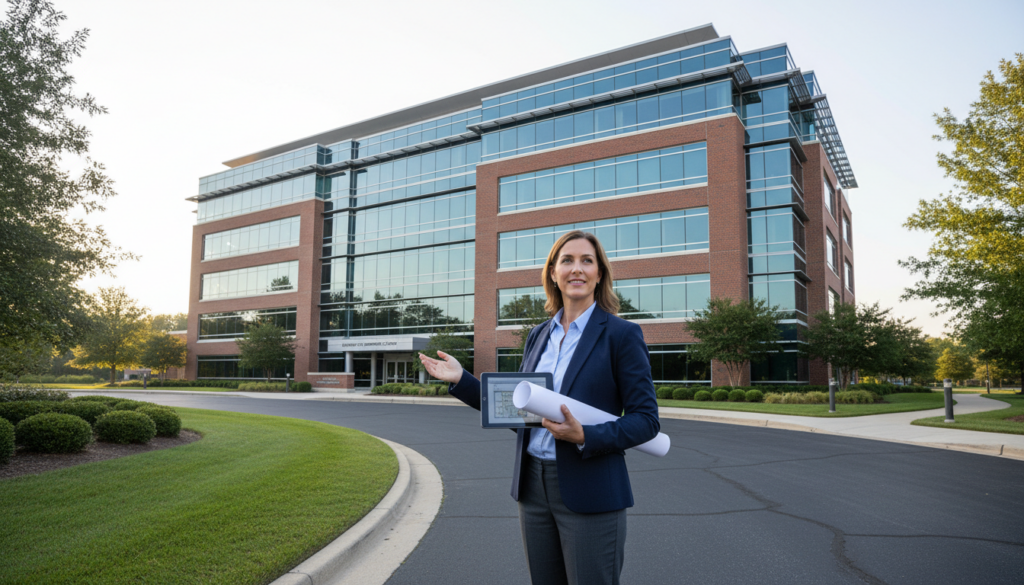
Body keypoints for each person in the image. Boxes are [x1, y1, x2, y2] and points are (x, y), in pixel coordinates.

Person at [419, 230, 659, 585]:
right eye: (567, 260)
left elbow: (646, 421)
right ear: (553, 272)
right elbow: (524, 413)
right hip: (533, 488)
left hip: (590, 488)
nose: (577, 269)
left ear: (599, 274)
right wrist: (461, 380)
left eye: (587, 261)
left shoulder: (621, 335)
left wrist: (585, 435)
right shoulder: (538, 336)